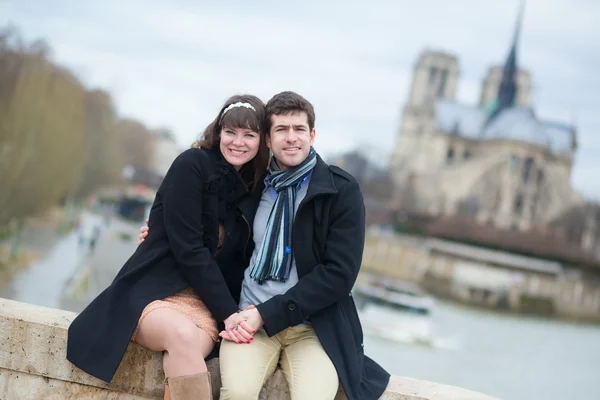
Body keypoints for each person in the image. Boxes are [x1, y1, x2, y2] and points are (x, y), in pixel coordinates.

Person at [140, 91, 390, 400]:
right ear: (268, 141)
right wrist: (160, 232)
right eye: (281, 130)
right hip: (249, 322)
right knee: (237, 394)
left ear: (312, 135)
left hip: (313, 329)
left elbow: (340, 274)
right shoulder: (252, 186)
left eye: (299, 129)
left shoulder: (341, 190)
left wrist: (267, 313)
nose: (291, 138)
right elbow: (208, 230)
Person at [67, 94, 270, 400]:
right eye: (230, 132)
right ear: (218, 132)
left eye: (249, 135)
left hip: (204, 304)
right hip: (152, 291)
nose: (238, 142)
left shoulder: (257, 189)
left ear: (261, 142)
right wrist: (230, 314)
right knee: (183, 336)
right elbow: (188, 247)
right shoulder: (192, 165)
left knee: (184, 350)